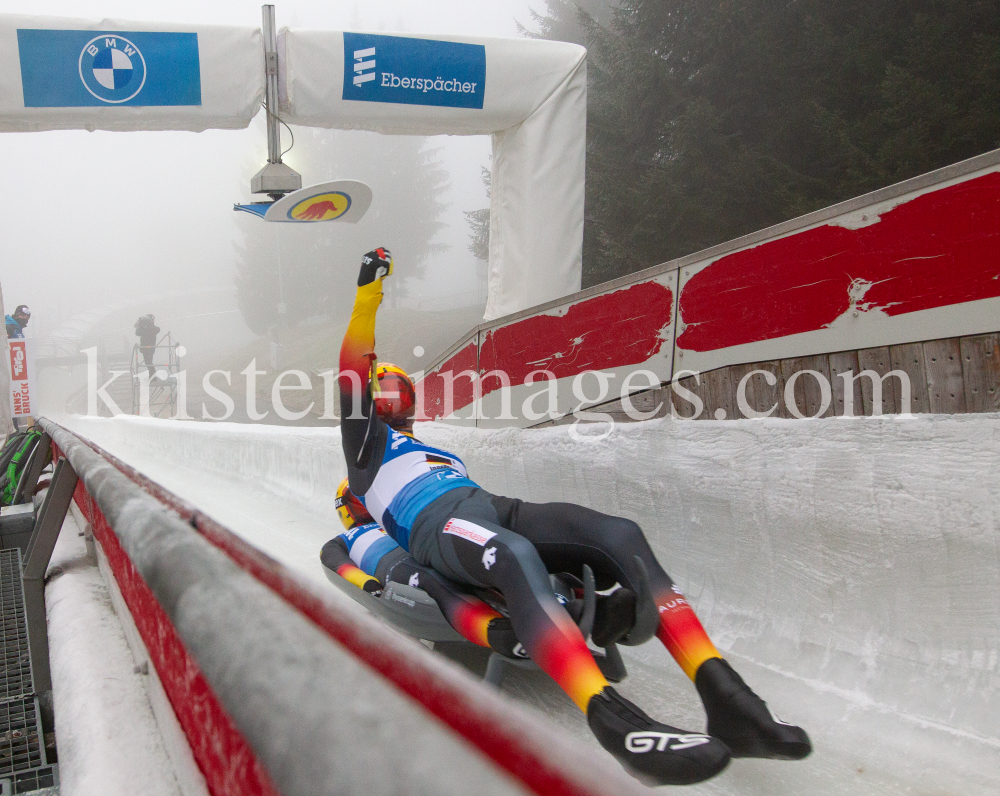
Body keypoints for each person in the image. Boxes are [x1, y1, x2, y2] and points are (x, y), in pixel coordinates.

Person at [338, 248, 811, 786]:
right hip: (437, 528)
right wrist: (367, 295)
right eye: (386, 391)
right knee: (512, 556)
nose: (394, 401)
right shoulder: (364, 450)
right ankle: (615, 723)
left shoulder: (437, 452)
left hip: (491, 507)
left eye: (401, 391)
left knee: (618, 535)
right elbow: (351, 370)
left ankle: (729, 698)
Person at [322, 478, 520, 657]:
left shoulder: (398, 520)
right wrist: (365, 582)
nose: (368, 510)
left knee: (472, 566)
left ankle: (532, 605)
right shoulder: (343, 539)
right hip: (395, 563)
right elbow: (334, 562)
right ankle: (495, 632)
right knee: (432, 581)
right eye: (361, 506)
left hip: (427, 550)